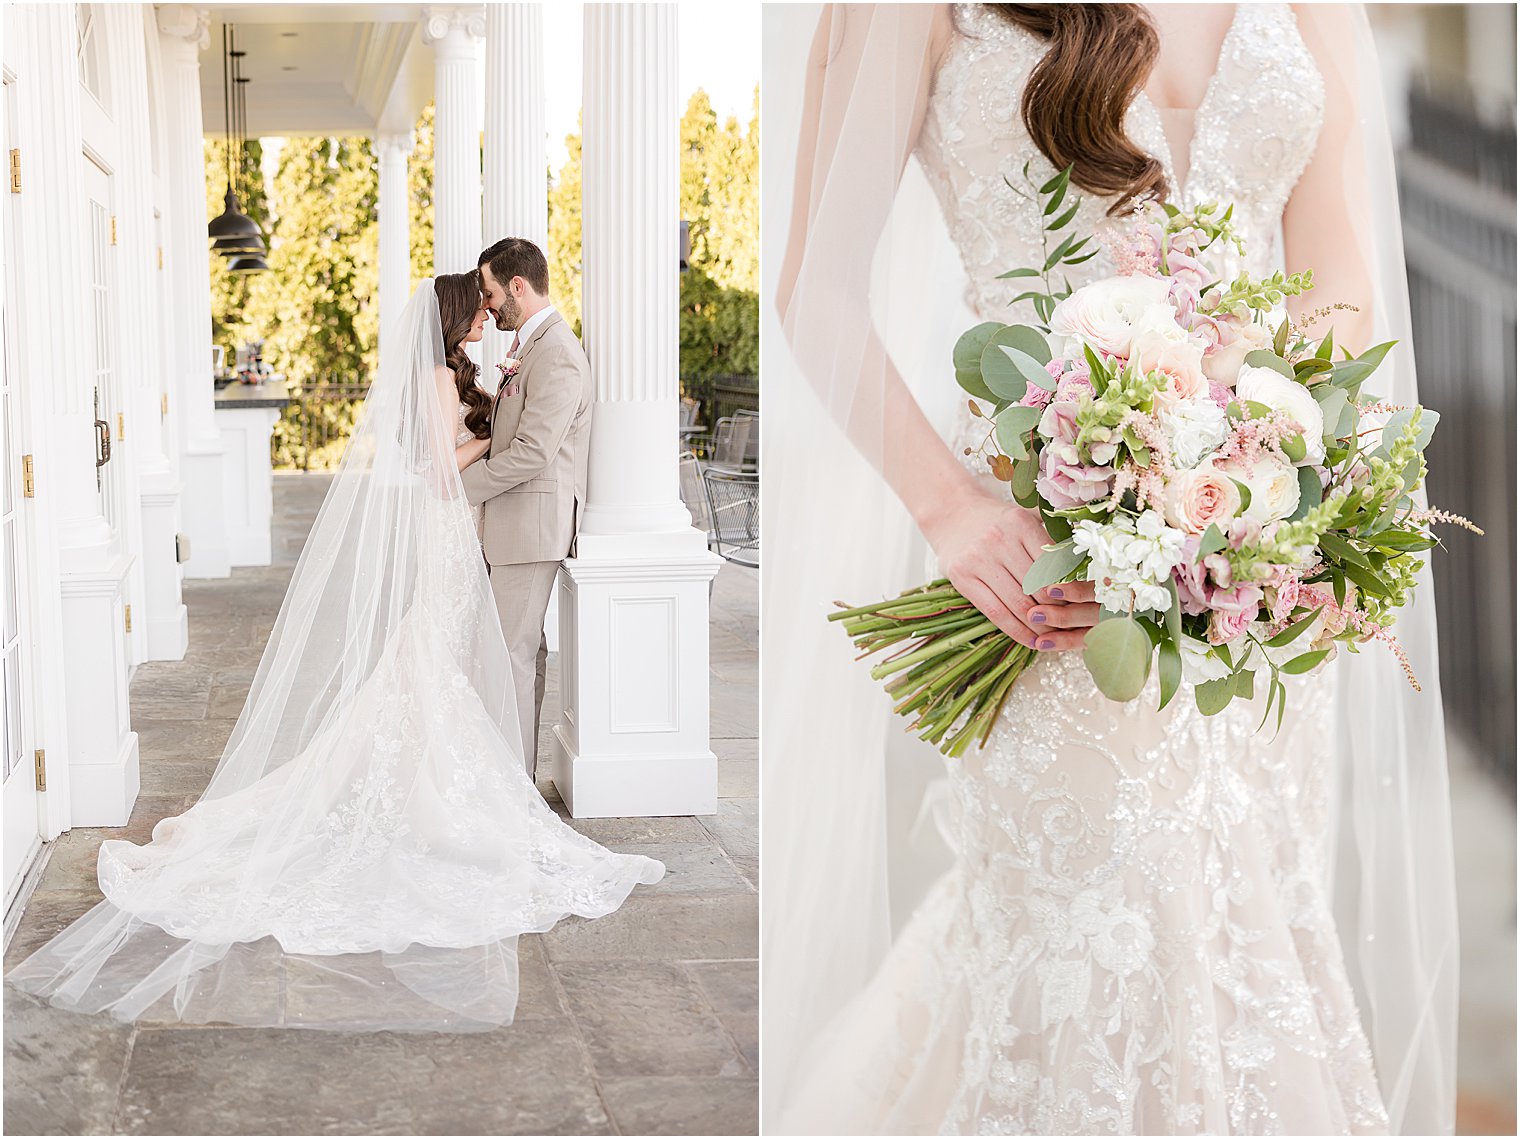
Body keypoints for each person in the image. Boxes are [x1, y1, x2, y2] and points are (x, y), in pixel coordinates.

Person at [762, 4, 1457, 1134]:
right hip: (1054, 572)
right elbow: (815, 288)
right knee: (1095, 938)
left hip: (1252, 589)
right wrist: (949, 508)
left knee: (1240, 941)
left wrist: (1311, 510)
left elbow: (1337, 291)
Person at [5, 276, 663, 1032]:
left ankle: (435, 783)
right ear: (455, 317)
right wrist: (499, 439)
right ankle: (444, 793)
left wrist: (485, 437)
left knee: (426, 667)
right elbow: (440, 464)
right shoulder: (442, 377)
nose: (488, 316)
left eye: (492, 304)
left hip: (450, 528)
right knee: (432, 662)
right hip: (449, 527)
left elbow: (435, 457)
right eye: (479, 307)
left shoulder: (444, 373)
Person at [466, 237, 592, 783]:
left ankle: (512, 790)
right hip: (516, 526)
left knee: (510, 657)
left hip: (531, 527)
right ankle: (512, 778)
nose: (488, 305)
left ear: (518, 285)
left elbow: (535, 452)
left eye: (491, 293)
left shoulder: (558, 352)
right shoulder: (531, 347)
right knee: (519, 655)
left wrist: (461, 486)